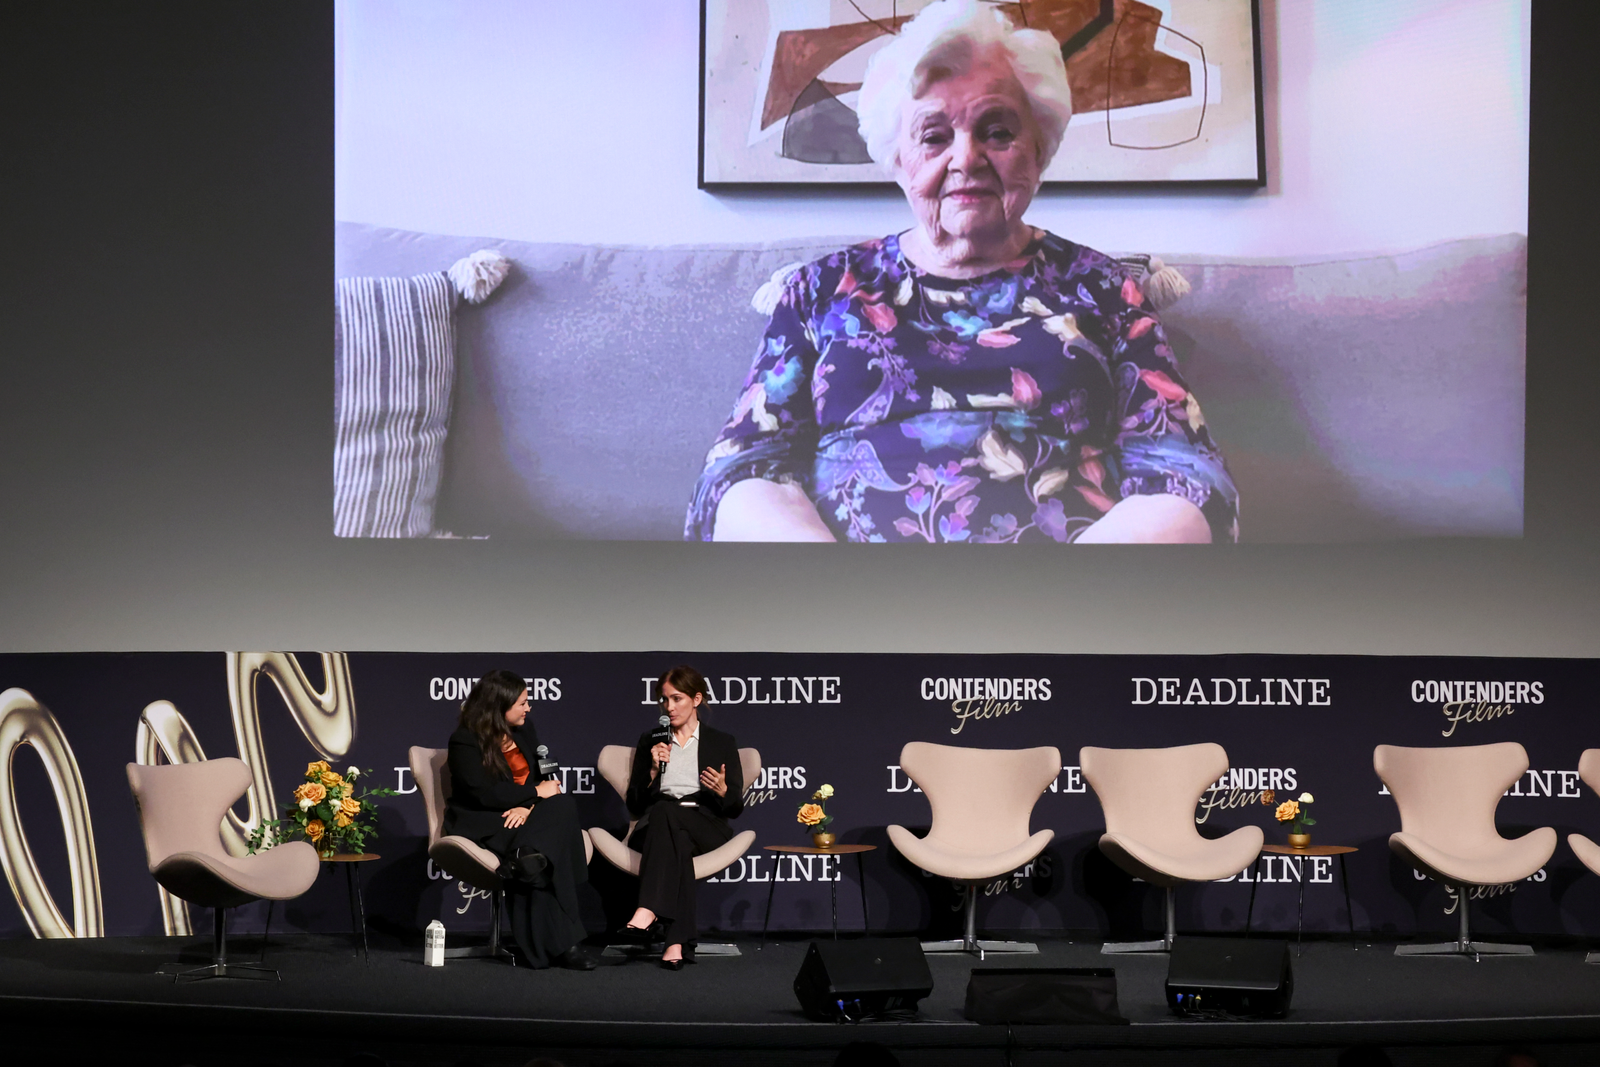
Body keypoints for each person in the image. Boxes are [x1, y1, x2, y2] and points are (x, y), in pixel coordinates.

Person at [686, 0, 1237, 545]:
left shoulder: (1107, 289)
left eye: (997, 132)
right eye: (934, 136)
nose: (966, 158)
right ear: (898, 158)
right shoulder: (821, 291)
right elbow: (741, 469)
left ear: (1038, 151)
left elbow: (1185, 476)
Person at [444, 669, 596, 970]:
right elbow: (482, 793)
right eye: (522, 703)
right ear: (500, 707)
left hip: (523, 817)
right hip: (486, 819)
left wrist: (529, 806)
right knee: (544, 855)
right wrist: (535, 793)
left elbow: (545, 781)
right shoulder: (464, 740)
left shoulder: (525, 732)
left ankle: (523, 859)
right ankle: (567, 945)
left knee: (561, 807)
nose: (529, 708)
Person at [613, 665, 745, 970]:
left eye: (677, 699)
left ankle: (648, 909)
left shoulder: (721, 742)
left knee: (668, 814)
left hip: (705, 824)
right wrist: (651, 772)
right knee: (673, 834)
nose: (669, 707)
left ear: (696, 699)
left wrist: (723, 790)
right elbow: (635, 804)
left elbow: (735, 807)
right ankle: (676, 942)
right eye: (664, 700)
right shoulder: (651, 740)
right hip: (658, 828)